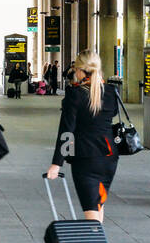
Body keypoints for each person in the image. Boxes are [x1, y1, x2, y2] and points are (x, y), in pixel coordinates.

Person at [46, 50, 120, 222]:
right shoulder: (111, 92)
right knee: (98, 205)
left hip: (86, 158)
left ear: (79, 70)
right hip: (109, 157)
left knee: (91, 211)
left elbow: (67, 131)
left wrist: (57, 163)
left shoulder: (75, 94)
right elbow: (112, 114)